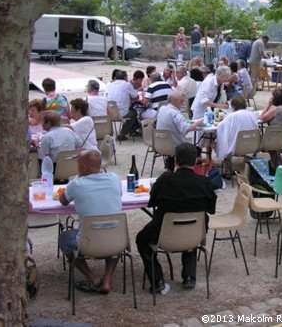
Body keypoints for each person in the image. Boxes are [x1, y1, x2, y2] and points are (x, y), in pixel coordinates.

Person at [136, 143, 217, 293]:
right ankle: (189, 277)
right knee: (192, 226)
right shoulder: (204, 182)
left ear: (175, 161)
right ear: (195, 161)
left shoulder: (165, 180)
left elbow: (151, 203)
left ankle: (157, 280)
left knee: (141, 239)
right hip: (195, 233)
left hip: (163, 233)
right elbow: (211, 210)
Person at [58, 150, 122, 294]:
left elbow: (63, 200)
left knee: (64, 238)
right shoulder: (114, 178)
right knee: (116, 236)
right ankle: (107, 279)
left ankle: (92, 278)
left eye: (78, 164)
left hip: (88, 242)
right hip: (115, 240)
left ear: (84, 167)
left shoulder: (76, 184)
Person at [156, 90, 204, 167]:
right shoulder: (176, 114)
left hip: (160, 144)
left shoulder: (162, 109)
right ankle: (184, 168)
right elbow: (186, 129)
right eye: (181, 101)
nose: (182, 103)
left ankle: (170, 165)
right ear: (175, 101)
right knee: (197, 149)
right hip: (175, 146)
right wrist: (197, 123)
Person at [106, 70, 139, 140]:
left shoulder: (109, 84)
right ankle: (123, 133)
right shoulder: (126, 85)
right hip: (122, 113)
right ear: (125, 77)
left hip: (109, 112)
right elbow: (136, 97)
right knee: (134, 113)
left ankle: (126, 131)